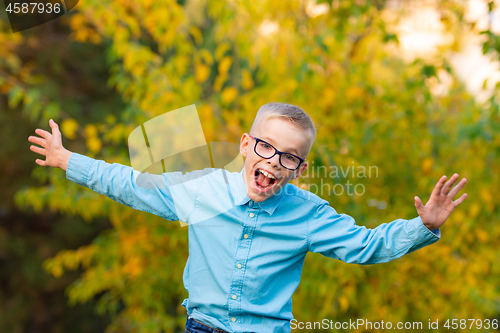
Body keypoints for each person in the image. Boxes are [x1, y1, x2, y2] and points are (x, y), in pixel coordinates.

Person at [28, 103, 467, 333]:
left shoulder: (308, 215)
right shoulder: (202, 192)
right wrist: (68, 160)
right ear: (245, 145)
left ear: (300, 169)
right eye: (266, 147)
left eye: (290, 157)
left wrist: (424, 225)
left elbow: (367, 246)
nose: (274, 162)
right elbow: (131, 184)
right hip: (204, 328)